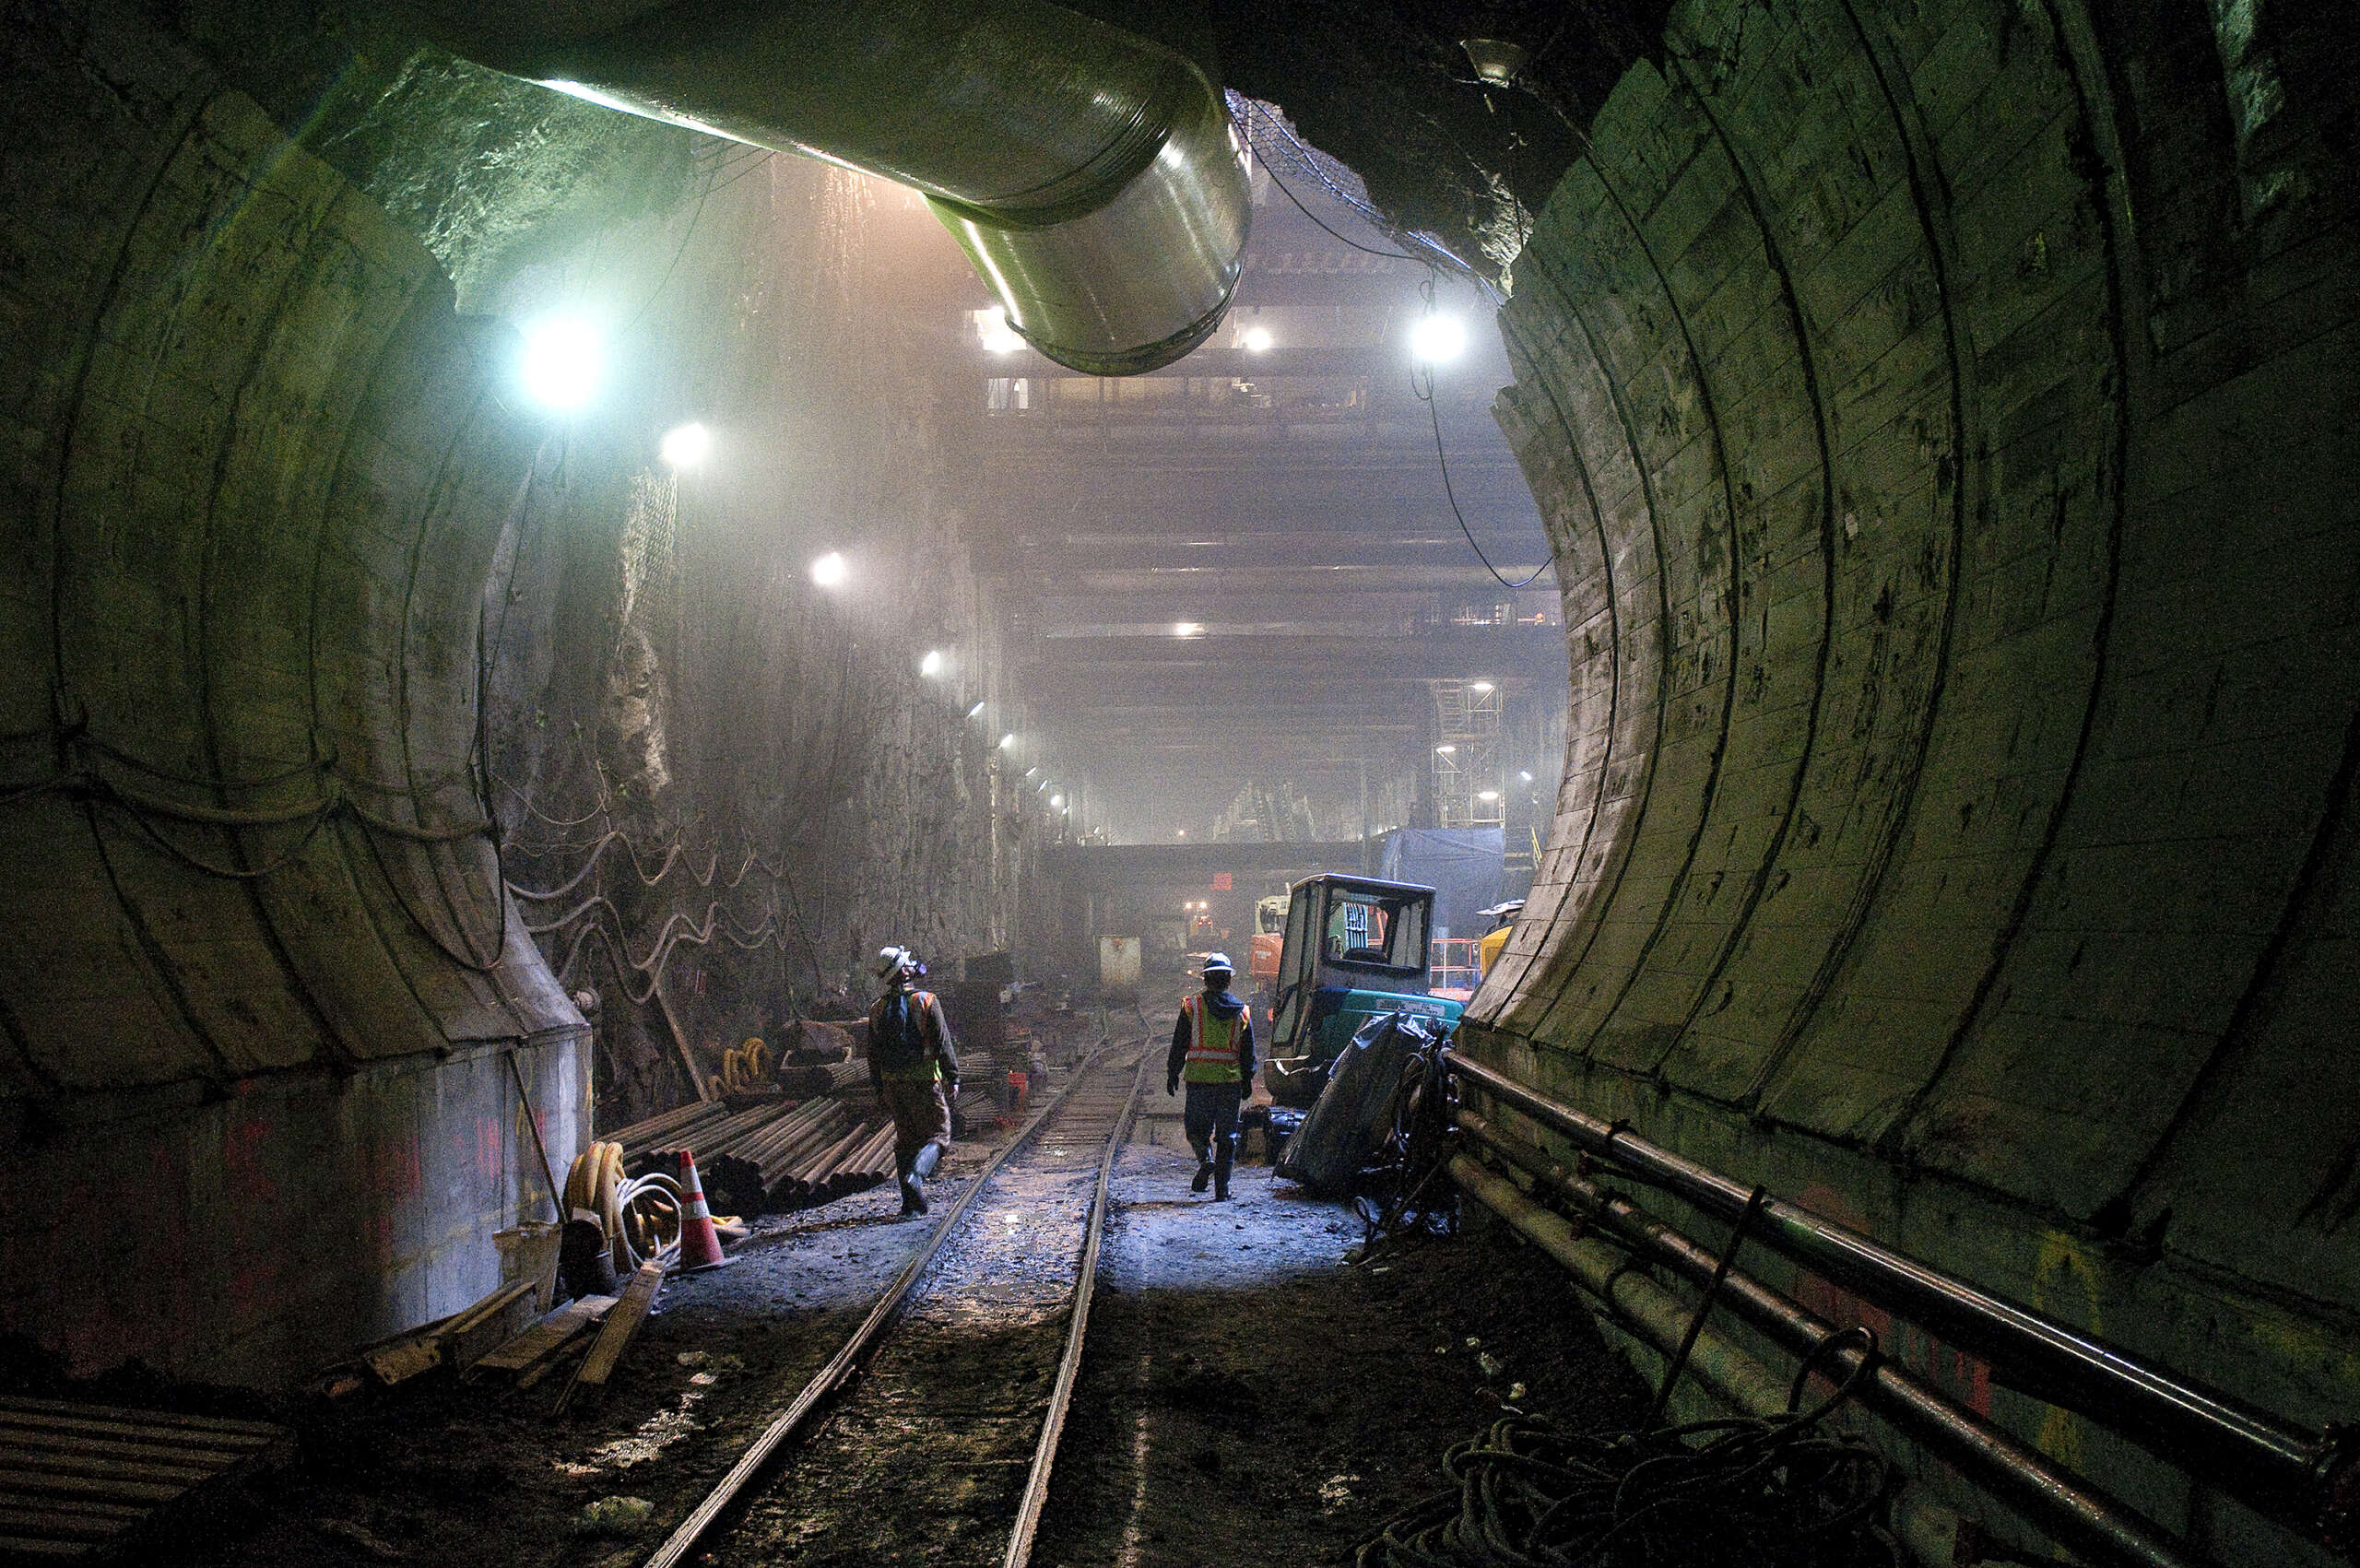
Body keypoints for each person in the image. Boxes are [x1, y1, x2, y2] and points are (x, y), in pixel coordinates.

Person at [867, 945, 960, 1215]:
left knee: (905, 1142)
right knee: (939, 1135)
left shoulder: (876, 1009)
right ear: (904, 971)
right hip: (924, 1082)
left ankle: (910, 1206)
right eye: (909, 963)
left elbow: (872, 1055)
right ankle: (917, 1175)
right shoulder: (927, 1001)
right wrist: (952, 1076)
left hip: (894, 1086)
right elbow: (943, 1044)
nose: (914, 965)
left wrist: (879, 1090)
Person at [1166, 952, 1256, 1201]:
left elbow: (1179, 1043)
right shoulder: (1243, 1012)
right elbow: (1248, 1051)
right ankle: (1222, 1191)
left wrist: (1173, 1072)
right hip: (1231, 1084)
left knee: (1196, 1131)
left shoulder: (1192, 1007)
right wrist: (1248, 1079)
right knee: (1227, 1137)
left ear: (1206, 980)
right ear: (1228, 980)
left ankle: (1206, 1160)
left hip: (1199, 1081)